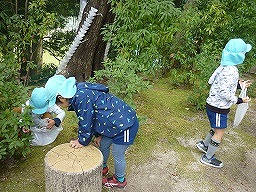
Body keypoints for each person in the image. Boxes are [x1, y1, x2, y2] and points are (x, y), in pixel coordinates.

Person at [54, 77, 139, 188]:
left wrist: (82, 141)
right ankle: (103, 167)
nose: (61, 107)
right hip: (113, 124)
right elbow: (95, 115)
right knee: (103, 145)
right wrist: (98, 135)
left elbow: (86, 120)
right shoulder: (80, 91)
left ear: (62, 98)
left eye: (59, 104)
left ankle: (119, 180)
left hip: (126, 125)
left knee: (118, 154)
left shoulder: (81, 97)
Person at [196, 38, 252, 168]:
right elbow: (224, 93)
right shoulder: (231, 71)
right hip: (218, 108)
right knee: (219, 132)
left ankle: (204, 145)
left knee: (216, 128)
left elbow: (221, 83)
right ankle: (208, 157)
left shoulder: (225, 66)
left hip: (214, 105)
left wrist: (240, 84)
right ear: (239, 56)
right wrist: (239, 100)